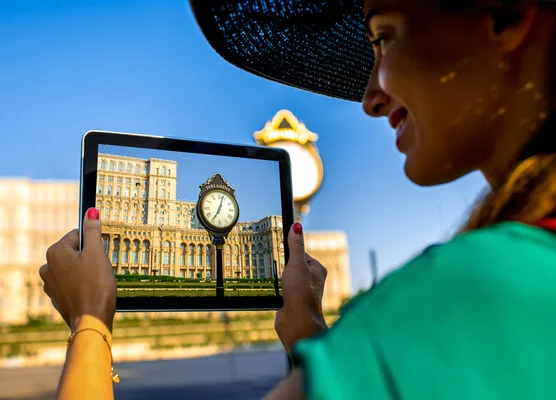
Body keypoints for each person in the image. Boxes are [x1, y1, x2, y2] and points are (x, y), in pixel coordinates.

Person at [40, 0, 556, 398]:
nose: (370, 97)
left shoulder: (462, 292)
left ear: (506, 14)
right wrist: (306, 327)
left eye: (383, 37)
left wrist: (90, 322)